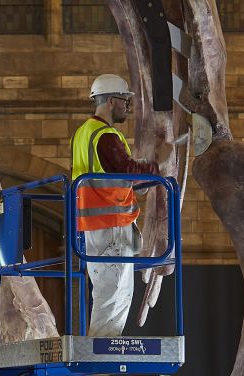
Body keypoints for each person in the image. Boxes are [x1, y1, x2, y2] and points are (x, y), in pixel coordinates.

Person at [70, 74, 160, 337]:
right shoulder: (106, 135)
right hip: (111, 224)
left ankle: (102, 349)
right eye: (124, 100)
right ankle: (102, 352)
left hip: (92, 225)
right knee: (115, 293)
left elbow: (116, 175)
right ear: (111, 101)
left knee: (107, 291)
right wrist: (158, 165)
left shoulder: (82, 133)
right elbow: (128, 171)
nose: (127, 106)